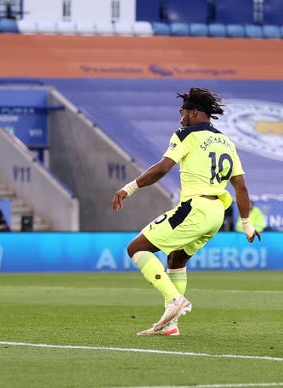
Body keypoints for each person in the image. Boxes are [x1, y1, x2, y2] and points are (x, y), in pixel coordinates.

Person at [112, 87, 261, 337]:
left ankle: (174, 300)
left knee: (136, 249)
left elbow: (163, 168)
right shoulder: (226, 141)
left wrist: (129, 188)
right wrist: (246, 223)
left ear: (193, 112)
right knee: (177, 258)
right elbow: (241, 187)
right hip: (216, 214)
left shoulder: (185, 134)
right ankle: (170, 325)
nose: (180, 116)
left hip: (195, 207)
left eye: (182, 111)